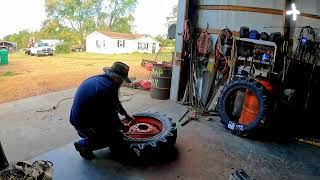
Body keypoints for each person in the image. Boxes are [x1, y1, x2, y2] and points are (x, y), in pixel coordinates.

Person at [69, 62, 135, 160]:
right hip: (83, 125)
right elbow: (111, 115)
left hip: (79, 118)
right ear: (118, 78)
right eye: (122, 80)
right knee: (116, 137)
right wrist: (122, 126)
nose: (122, 82)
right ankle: (83, 145)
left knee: (113, 130)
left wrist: (125, 114)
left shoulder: (102, 80)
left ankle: (93, 137)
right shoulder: (107, 88)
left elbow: (115, 101)